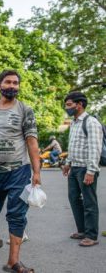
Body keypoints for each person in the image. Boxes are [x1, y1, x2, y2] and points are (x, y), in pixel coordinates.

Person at [0, 70, 41, 273]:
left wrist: (36, 172)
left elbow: (32, 142)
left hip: (19, 171)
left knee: (16, 215)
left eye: (16, 83)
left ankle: (13, 261)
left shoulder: (25, 110)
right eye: (8, 82)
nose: (12, 86)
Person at [62, 91, 103, 247]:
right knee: (74, 199)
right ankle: (82, 230)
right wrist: (68, 162)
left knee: (89, 202)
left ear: (79, 104)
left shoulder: (91, 122)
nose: (67, 108)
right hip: (75, 168)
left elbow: (95, 148)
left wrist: (91, 171)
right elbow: (73, 145)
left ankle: (91, 235)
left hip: (86, 168)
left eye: (69, 104)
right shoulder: (74, 122)